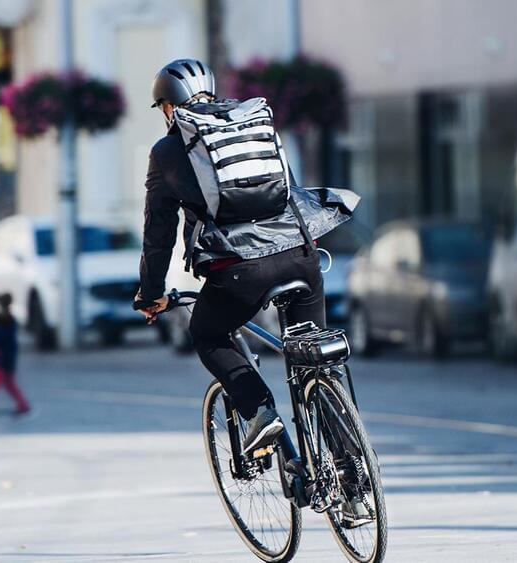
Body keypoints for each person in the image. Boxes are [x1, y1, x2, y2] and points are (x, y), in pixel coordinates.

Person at [133, 59, 357, 456]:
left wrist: (151, 294)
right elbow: (287, 189)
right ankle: (352, 471)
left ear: (168, 107)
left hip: (239, 270)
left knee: (208, 333)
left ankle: (259, 412)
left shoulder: (168, 150)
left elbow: (158, 234)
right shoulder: (253, 123)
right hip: (300, 253)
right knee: (315, 359)